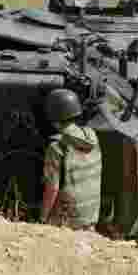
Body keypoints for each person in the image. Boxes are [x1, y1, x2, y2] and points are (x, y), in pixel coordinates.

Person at [40, 89, 102, 231]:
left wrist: (43, 219)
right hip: (91, 216)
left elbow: (52, 189)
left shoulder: (57, 147)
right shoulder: (91, 136)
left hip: (68, 221)